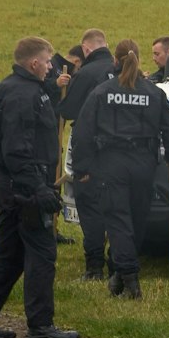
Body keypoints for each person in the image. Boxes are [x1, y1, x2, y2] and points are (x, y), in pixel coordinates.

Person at [0, 36, 78, 338]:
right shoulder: (22, 95)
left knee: (8, 256)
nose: (51, 66)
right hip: (24, 185)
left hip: (15, 184)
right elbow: (16, 150)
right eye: (48, 61)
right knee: (42, 254)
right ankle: (41, 325)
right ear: (34, 63)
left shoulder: (19, 88)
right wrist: (38, 188)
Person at [69, 40, 169, 300]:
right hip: (144, 163)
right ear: (138, 59)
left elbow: (83, 132)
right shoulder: (153, 92)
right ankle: (120, 276)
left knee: (118, 220)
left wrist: (81, 167)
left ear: (115, 61)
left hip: (112, 163)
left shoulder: (102, 92)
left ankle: (130, 278)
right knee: (137, 218)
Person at [59, 30, 117, 280]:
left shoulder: (85, 73)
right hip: (120, 153)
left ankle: (94, 267)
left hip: (91, 151)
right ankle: (117, 262)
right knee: (116, 209)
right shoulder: (121, 71)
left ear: (85, 49)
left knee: (90, 208)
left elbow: (69, 110)